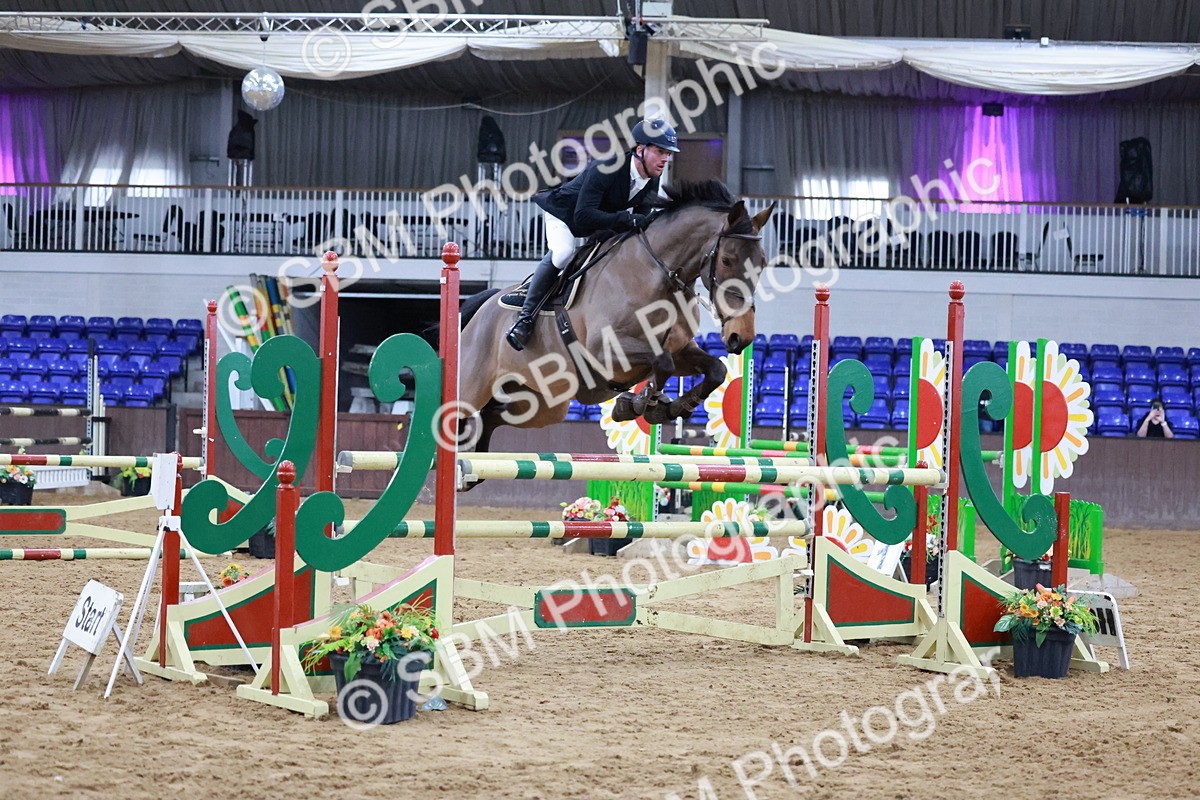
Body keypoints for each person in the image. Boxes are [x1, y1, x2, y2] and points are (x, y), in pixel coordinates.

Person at [505, 118, 681, 350]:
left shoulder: (651, 180)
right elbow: (583, 216)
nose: (665, 159)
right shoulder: (606, 168)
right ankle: (525, 320)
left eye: (668, 154)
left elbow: (640, 223)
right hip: (565, 215)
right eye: (660, 152)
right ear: (640, 150)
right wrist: (626, 219)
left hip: (597, 224)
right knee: (563, 252)